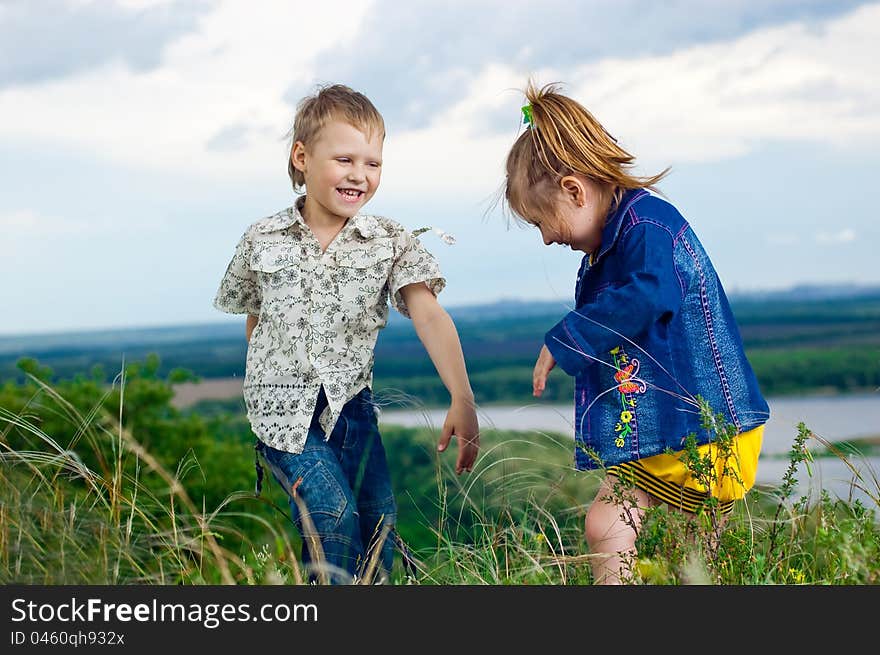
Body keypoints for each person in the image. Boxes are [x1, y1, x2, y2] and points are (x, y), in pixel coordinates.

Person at [501, 81, 770, 584]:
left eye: (541, 220)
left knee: (691, 557)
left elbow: (650, 295)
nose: (546, 237)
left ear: (574, 192)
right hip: (655, 425)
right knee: (606, 525)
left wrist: (570, 337)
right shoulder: (616, 236)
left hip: (702, 431)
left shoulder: (649, 227)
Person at [213, 83, 479, 584]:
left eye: (373, 163)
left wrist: (461, 396)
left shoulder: (389, 241)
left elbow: (429, 315)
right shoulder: (262, 238)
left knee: (378, 536)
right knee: (332, 518)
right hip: (282, 414)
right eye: (344, 159)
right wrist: (275, 381)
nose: (359, 174)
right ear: (302, 157)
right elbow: (257, 320)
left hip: (353, 411)